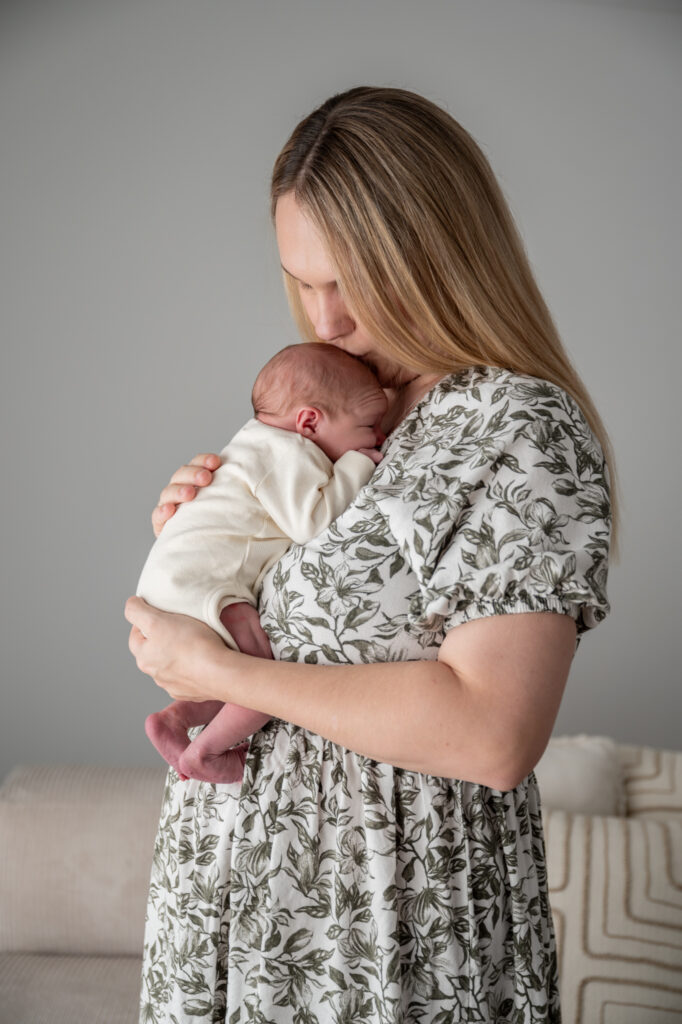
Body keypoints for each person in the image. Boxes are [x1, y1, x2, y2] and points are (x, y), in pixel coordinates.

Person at [126, 86, 614, 1023]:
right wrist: (205, 545)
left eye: (351, 278)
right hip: (230, 909)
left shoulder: (514, 427)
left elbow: (493, 735)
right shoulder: (330, 418)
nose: (326, 318)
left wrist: (223, 666)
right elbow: (310, 634)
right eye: (301, 280)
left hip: (387, 931)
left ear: (437, 255)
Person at [137, 341, 386, 784]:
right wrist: (355, 466)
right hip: (197, 584)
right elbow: (313, 522)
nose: (377, 437)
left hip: (181, 581)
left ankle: (174, 722)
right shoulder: (286, 453)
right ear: (309, 422)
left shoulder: (257, 445)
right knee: (259, 676)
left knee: (231, 671)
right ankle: (206, 753)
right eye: (368, 426)